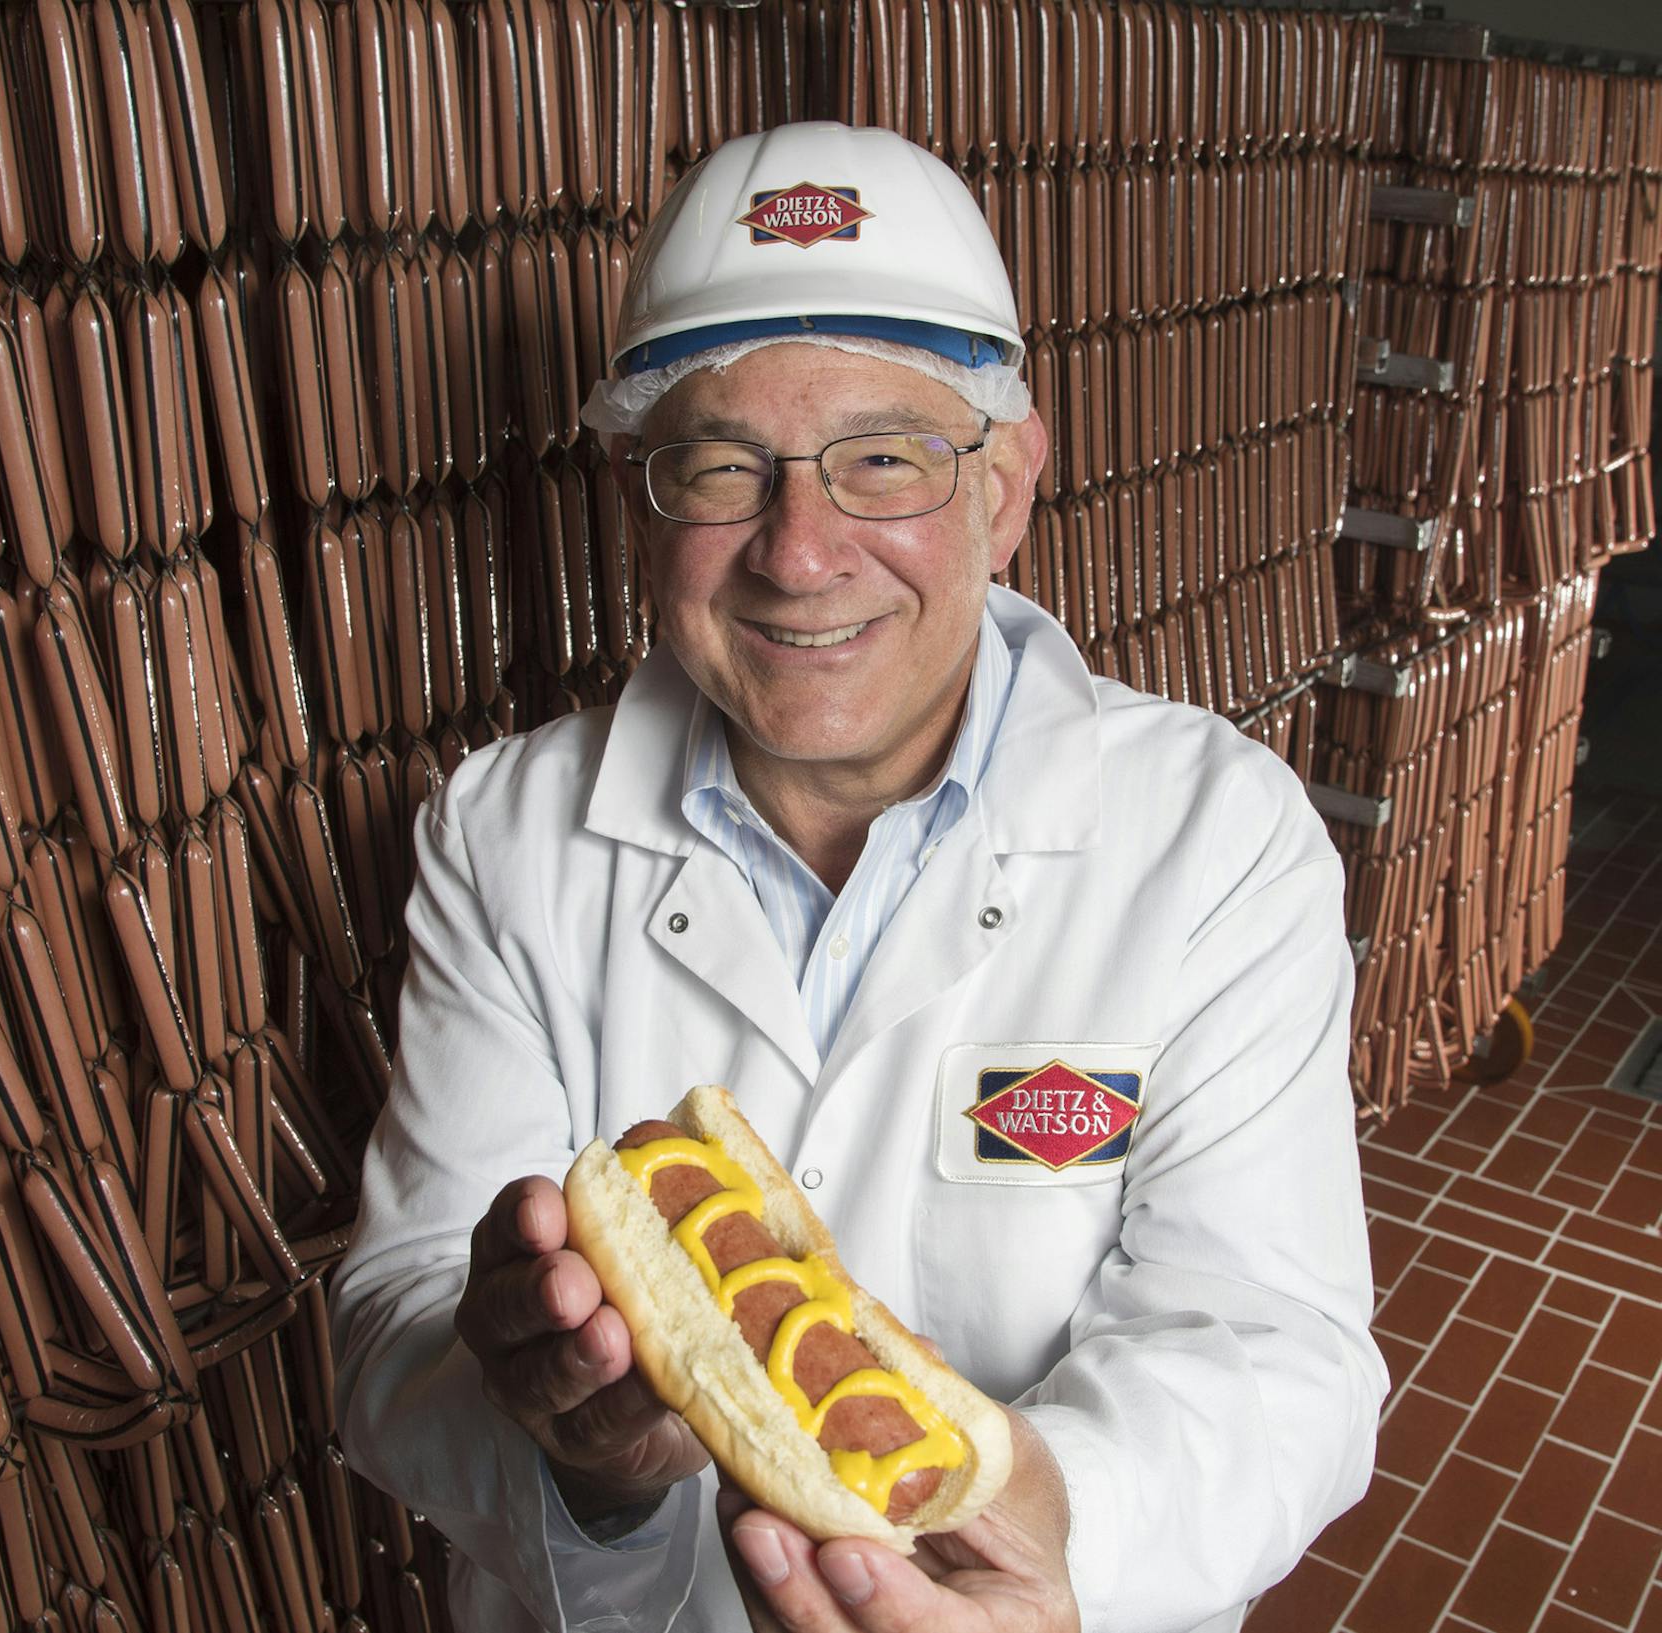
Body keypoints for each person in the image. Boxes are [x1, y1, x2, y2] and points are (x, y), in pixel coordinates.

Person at [328, 121, 1387, 1633]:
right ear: (643, 501)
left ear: (1005, 488)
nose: (801, 551)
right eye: (721, 466)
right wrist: (584, 1459)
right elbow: (389, 1334)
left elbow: (1279, 1348)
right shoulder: (503, 838)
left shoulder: (1217, 839)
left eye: (883, 459)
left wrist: (1040, 1528)